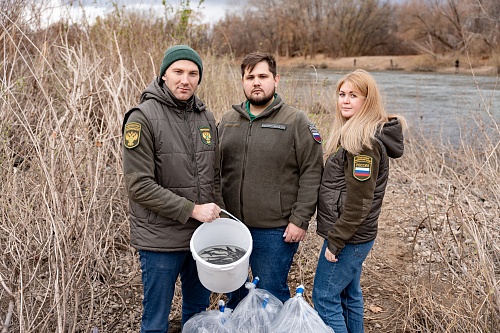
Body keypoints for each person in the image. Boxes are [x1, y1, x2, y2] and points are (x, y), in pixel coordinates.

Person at [122, 45, 222, 332]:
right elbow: (139, 186)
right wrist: (192, 209)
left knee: (198, 315)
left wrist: (220, 221)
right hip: (160, 240)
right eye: (178, 72)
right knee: (155, 322)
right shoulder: (142, 117)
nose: (185, 80)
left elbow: (214, 178)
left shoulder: (206, 118)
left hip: (201, 238)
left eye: (192, 73)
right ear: (164, 75)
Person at [218, 52, 324, 307]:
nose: (256, 82)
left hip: (275, 231)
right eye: (250, 77)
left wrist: (300, 220)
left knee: (270, 294)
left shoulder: (295, 120)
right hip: (232, 227)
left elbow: (312, 171)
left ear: (276, 80)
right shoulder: (228, 120)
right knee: (234, 293)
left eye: (263, 76)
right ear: (243, 81)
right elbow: (213, 170)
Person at [312, 69, 406, 333]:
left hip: (349, 238)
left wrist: (336, 241)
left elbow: (359, 203)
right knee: (348, 295)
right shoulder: (353, 134)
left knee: (324, 298)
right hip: (354, 236)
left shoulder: (363, 144)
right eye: (342, 94)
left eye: (354, 95)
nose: (345, 100)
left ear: (368, 100)